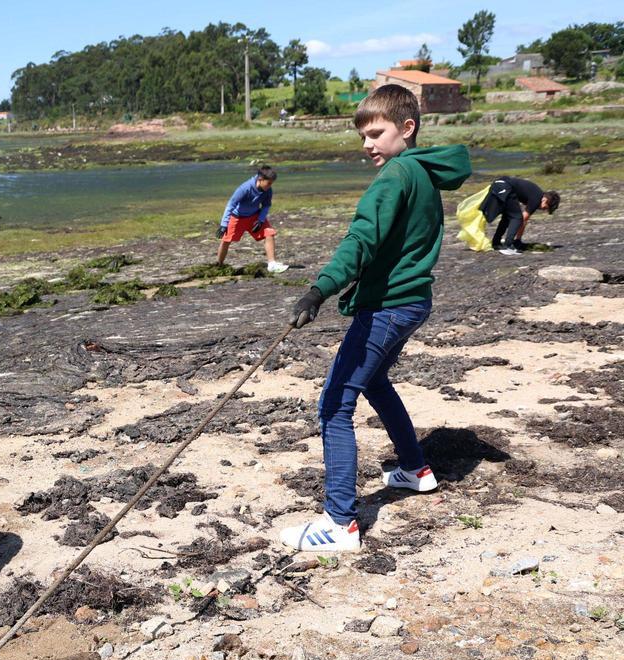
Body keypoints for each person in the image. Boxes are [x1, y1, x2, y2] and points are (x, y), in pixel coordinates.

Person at [279, 84, 471, 552]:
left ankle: (340, 522)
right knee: (375, 381)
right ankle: (415, 469)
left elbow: (361, 240)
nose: (368, 144)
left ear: (407, 128)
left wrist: (319, 289)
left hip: (388, 308)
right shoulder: (422, 173)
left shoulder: (395, 175)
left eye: (377, 133)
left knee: (334, 405)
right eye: (363, 135)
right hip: (413, 303)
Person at [216, 165, 288, 274]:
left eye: (271, 183)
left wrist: (260, 220)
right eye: (268, 183)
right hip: (237, 217)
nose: (270, 186)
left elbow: (266, 205)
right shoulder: (245, 188)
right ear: (260, 179)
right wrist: (223, 225)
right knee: (226, 241)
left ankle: (272, 264)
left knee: (269, 233)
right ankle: (219, 264)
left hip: (254, 216)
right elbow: (231, 204)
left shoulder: (268, 190)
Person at [479, 176, 560, 255]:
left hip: (498, 184)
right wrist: (518, 240)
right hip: (505, 187)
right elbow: (523, 218)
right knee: (516, 217)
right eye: (546, 207)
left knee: (507, 217)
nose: (543, 209)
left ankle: (496, 243)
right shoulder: (537, 198)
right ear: (545, 200)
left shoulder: (536, 193)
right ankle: (508, 246)